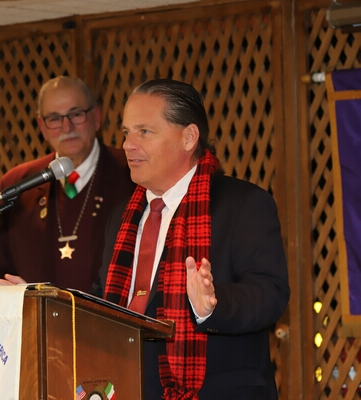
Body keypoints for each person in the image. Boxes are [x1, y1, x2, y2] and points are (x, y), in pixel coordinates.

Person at [96, 79, 290, 399]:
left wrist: (212, 304)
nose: (128, 144)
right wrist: (39, 296)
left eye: (144, 132)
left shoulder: (242, 204)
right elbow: (102, 299)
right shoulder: (121, 216)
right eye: (127, 132)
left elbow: (270, 294)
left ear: (188, 137)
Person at [0, 76, 135, 292]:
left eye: (76, 114)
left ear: (96, 117)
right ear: (42, 127)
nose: (67, 126)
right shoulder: (16, 185)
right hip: (34, 314)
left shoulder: (131, 175)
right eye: (54, 118)